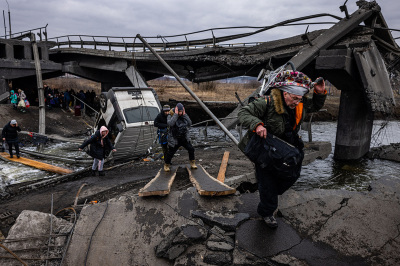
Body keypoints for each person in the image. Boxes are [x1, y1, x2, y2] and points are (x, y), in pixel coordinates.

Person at [238, 70, 326, 228]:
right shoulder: (267, 102)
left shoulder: (299, 103)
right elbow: (243, 113)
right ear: (285, 94)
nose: (297, 103)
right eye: (294, 98)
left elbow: (314, 106)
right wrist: (257, 124)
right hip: (266, 147)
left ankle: (272, 194)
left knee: (293, 174)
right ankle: (267, 212)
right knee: (266, 180)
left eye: (300, 99)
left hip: (287, 147)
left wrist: (319, 94)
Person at [163, 103, 197, 172]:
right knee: (170, 153)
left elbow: (190, 123)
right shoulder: (170, 115)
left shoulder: (183, 115)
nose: (180, 113)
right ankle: (166, 164)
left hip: (184, 137)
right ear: (176, 110)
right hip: (175, 138)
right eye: (179, 112)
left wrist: (184, 114)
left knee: (191, 149)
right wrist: (176, 114)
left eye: (181, 111)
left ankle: (192, 162)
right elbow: (170, 124)